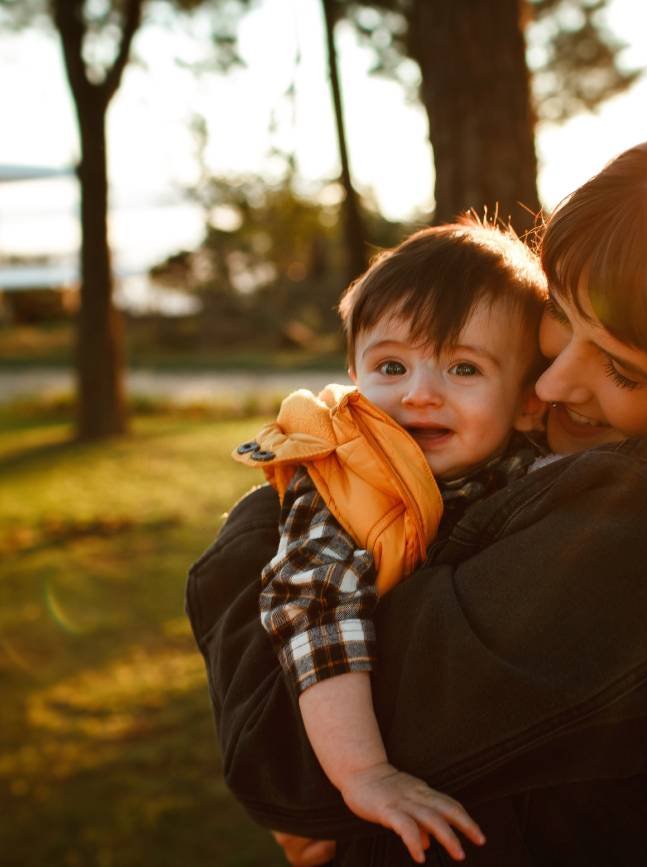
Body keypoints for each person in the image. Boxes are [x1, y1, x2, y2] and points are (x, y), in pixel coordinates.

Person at [187, 117, 647, 865]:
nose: (551, 382)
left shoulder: (635, 527)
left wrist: (278, 502)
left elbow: (276, 760)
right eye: (560, 319)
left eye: (623, 368)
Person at [231, 219, 549, 862]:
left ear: (526, 403)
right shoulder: (349, 481)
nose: (419, 393)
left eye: (464, 367)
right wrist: (361, 774)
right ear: (353, 376)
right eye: (391, 365)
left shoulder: (529, 470)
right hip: (342, 738)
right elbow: (311, 607)